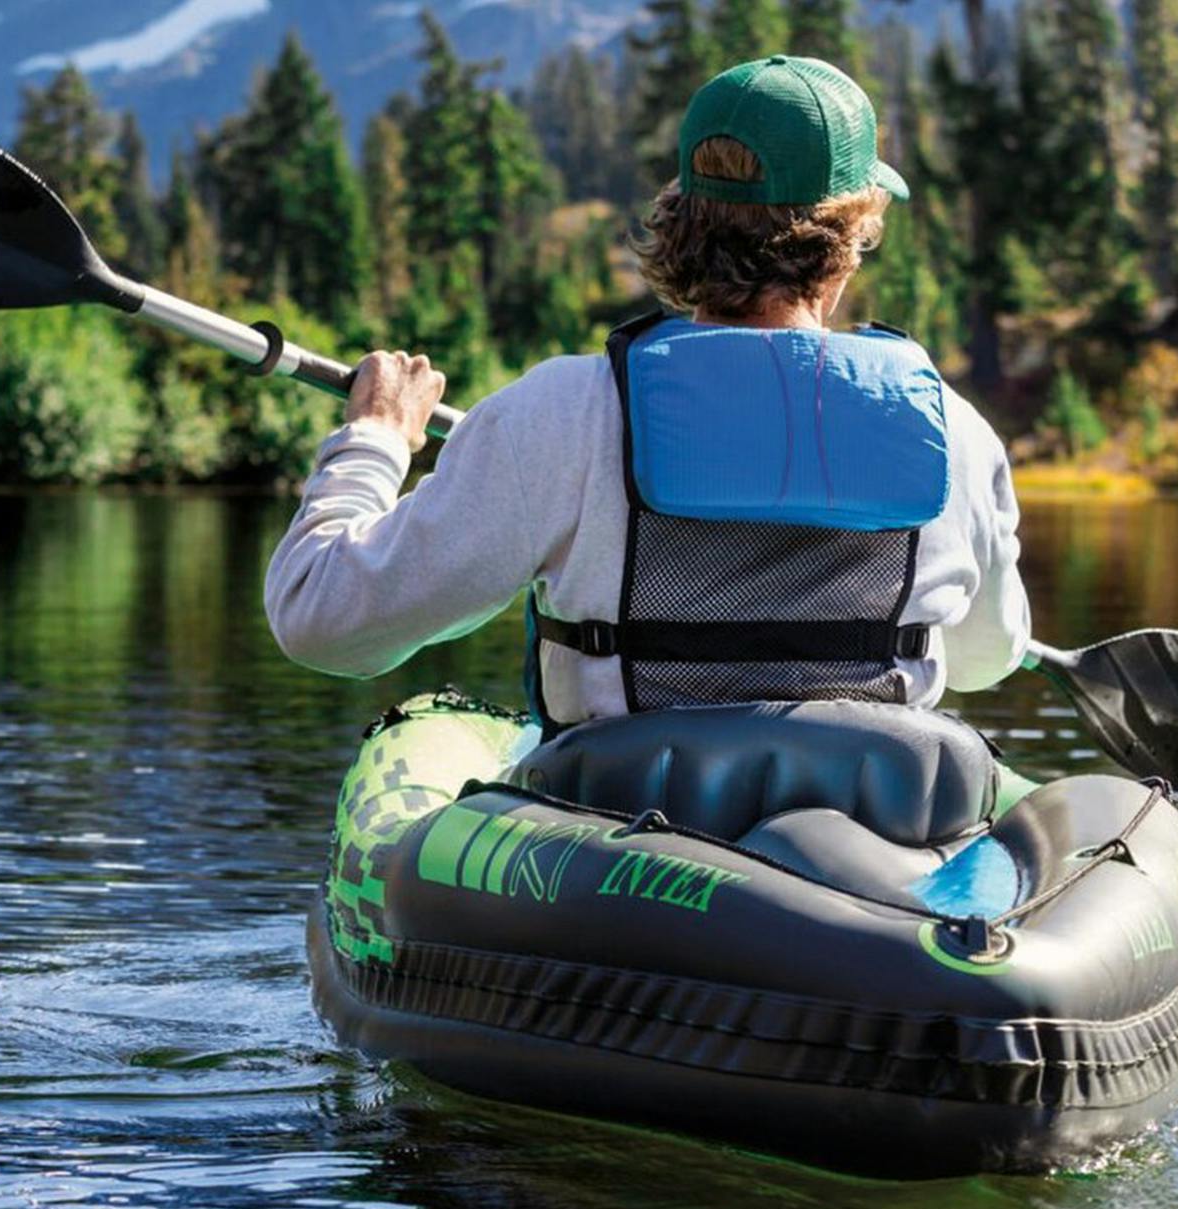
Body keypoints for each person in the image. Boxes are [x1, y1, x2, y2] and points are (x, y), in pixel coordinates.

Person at [264, 55, 1029, 735]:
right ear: (848, 243)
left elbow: (322, 621)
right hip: (873, 829)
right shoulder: (952, 430)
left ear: (681, 217)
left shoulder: (563, 411)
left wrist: (374, 441)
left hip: (629, 818)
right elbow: (984, 658)